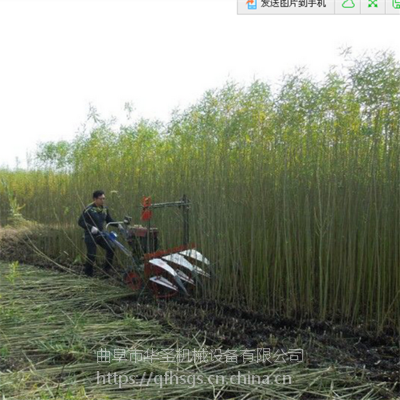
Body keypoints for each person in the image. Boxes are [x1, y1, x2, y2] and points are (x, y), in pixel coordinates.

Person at [78, 190, 122, 277]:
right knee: (92, 255)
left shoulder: (104, 209)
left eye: (104, 199)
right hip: (90, 235)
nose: (103, 200)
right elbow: (80, 222)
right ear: (95, 199)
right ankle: (88, 274)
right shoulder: (89, 210)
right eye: (101, 199)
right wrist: (91, 228)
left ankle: (106, 270)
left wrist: (118, 224)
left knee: (111, 248)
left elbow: (109, 220)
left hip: (101, 234)